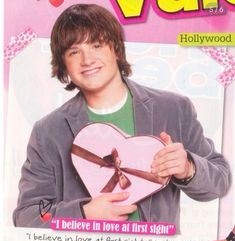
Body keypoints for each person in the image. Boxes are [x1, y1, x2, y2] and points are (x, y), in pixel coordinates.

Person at [13, 4, 230, 229]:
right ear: (64, 64)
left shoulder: (174, 109)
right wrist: (83, 214)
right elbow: (27, 216)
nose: (87, 60)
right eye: (74, 51)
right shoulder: (48, 131)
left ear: (116, 48)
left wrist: (188, 168)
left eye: (96, 45)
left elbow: (220, 182)